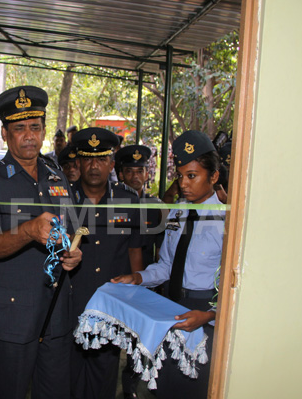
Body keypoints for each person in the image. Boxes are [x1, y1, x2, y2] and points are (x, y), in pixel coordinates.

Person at [0, 86, 82, 399]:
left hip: (57, 313)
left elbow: (71, 232)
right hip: (12, 318)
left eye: (35, 127)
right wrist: (28, 231)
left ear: (43, 130)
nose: (29, 136)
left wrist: (73, 254)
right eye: (19, 128)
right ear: (5, 134)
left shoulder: (57, 176)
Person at [111, 130, 226, 399]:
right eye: (180, 176)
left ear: (214, 177)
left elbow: (234, 286)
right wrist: (138, 278)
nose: (183, 184)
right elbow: (166, 266)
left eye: (192, 176)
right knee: (165, 385)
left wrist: (211, 316)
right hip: (171, 307)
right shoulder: (177, 212)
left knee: (195, 387)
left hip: (204, 312)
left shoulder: (226, 220)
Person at [68, 128, 143, 399]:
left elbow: (134, 250)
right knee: (71, 379)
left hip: (111, 306)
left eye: (101, 159)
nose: (94, 166)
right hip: (71, 305)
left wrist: (135, 300)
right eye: (88, 159)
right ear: (78, 163)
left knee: (104, 378)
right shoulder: (64, 199)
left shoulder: (128, 200)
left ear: (112, 165)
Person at [115, 144, 166, 399]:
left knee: (140, 336)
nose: (135, 176)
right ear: (120, 174)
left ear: (147, 174)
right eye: (129, 171)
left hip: (146, 278)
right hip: (118, 278)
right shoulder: (113, 203)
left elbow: (161, 247)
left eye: (140, 171)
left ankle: (130, 383)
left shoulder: (156, 206)